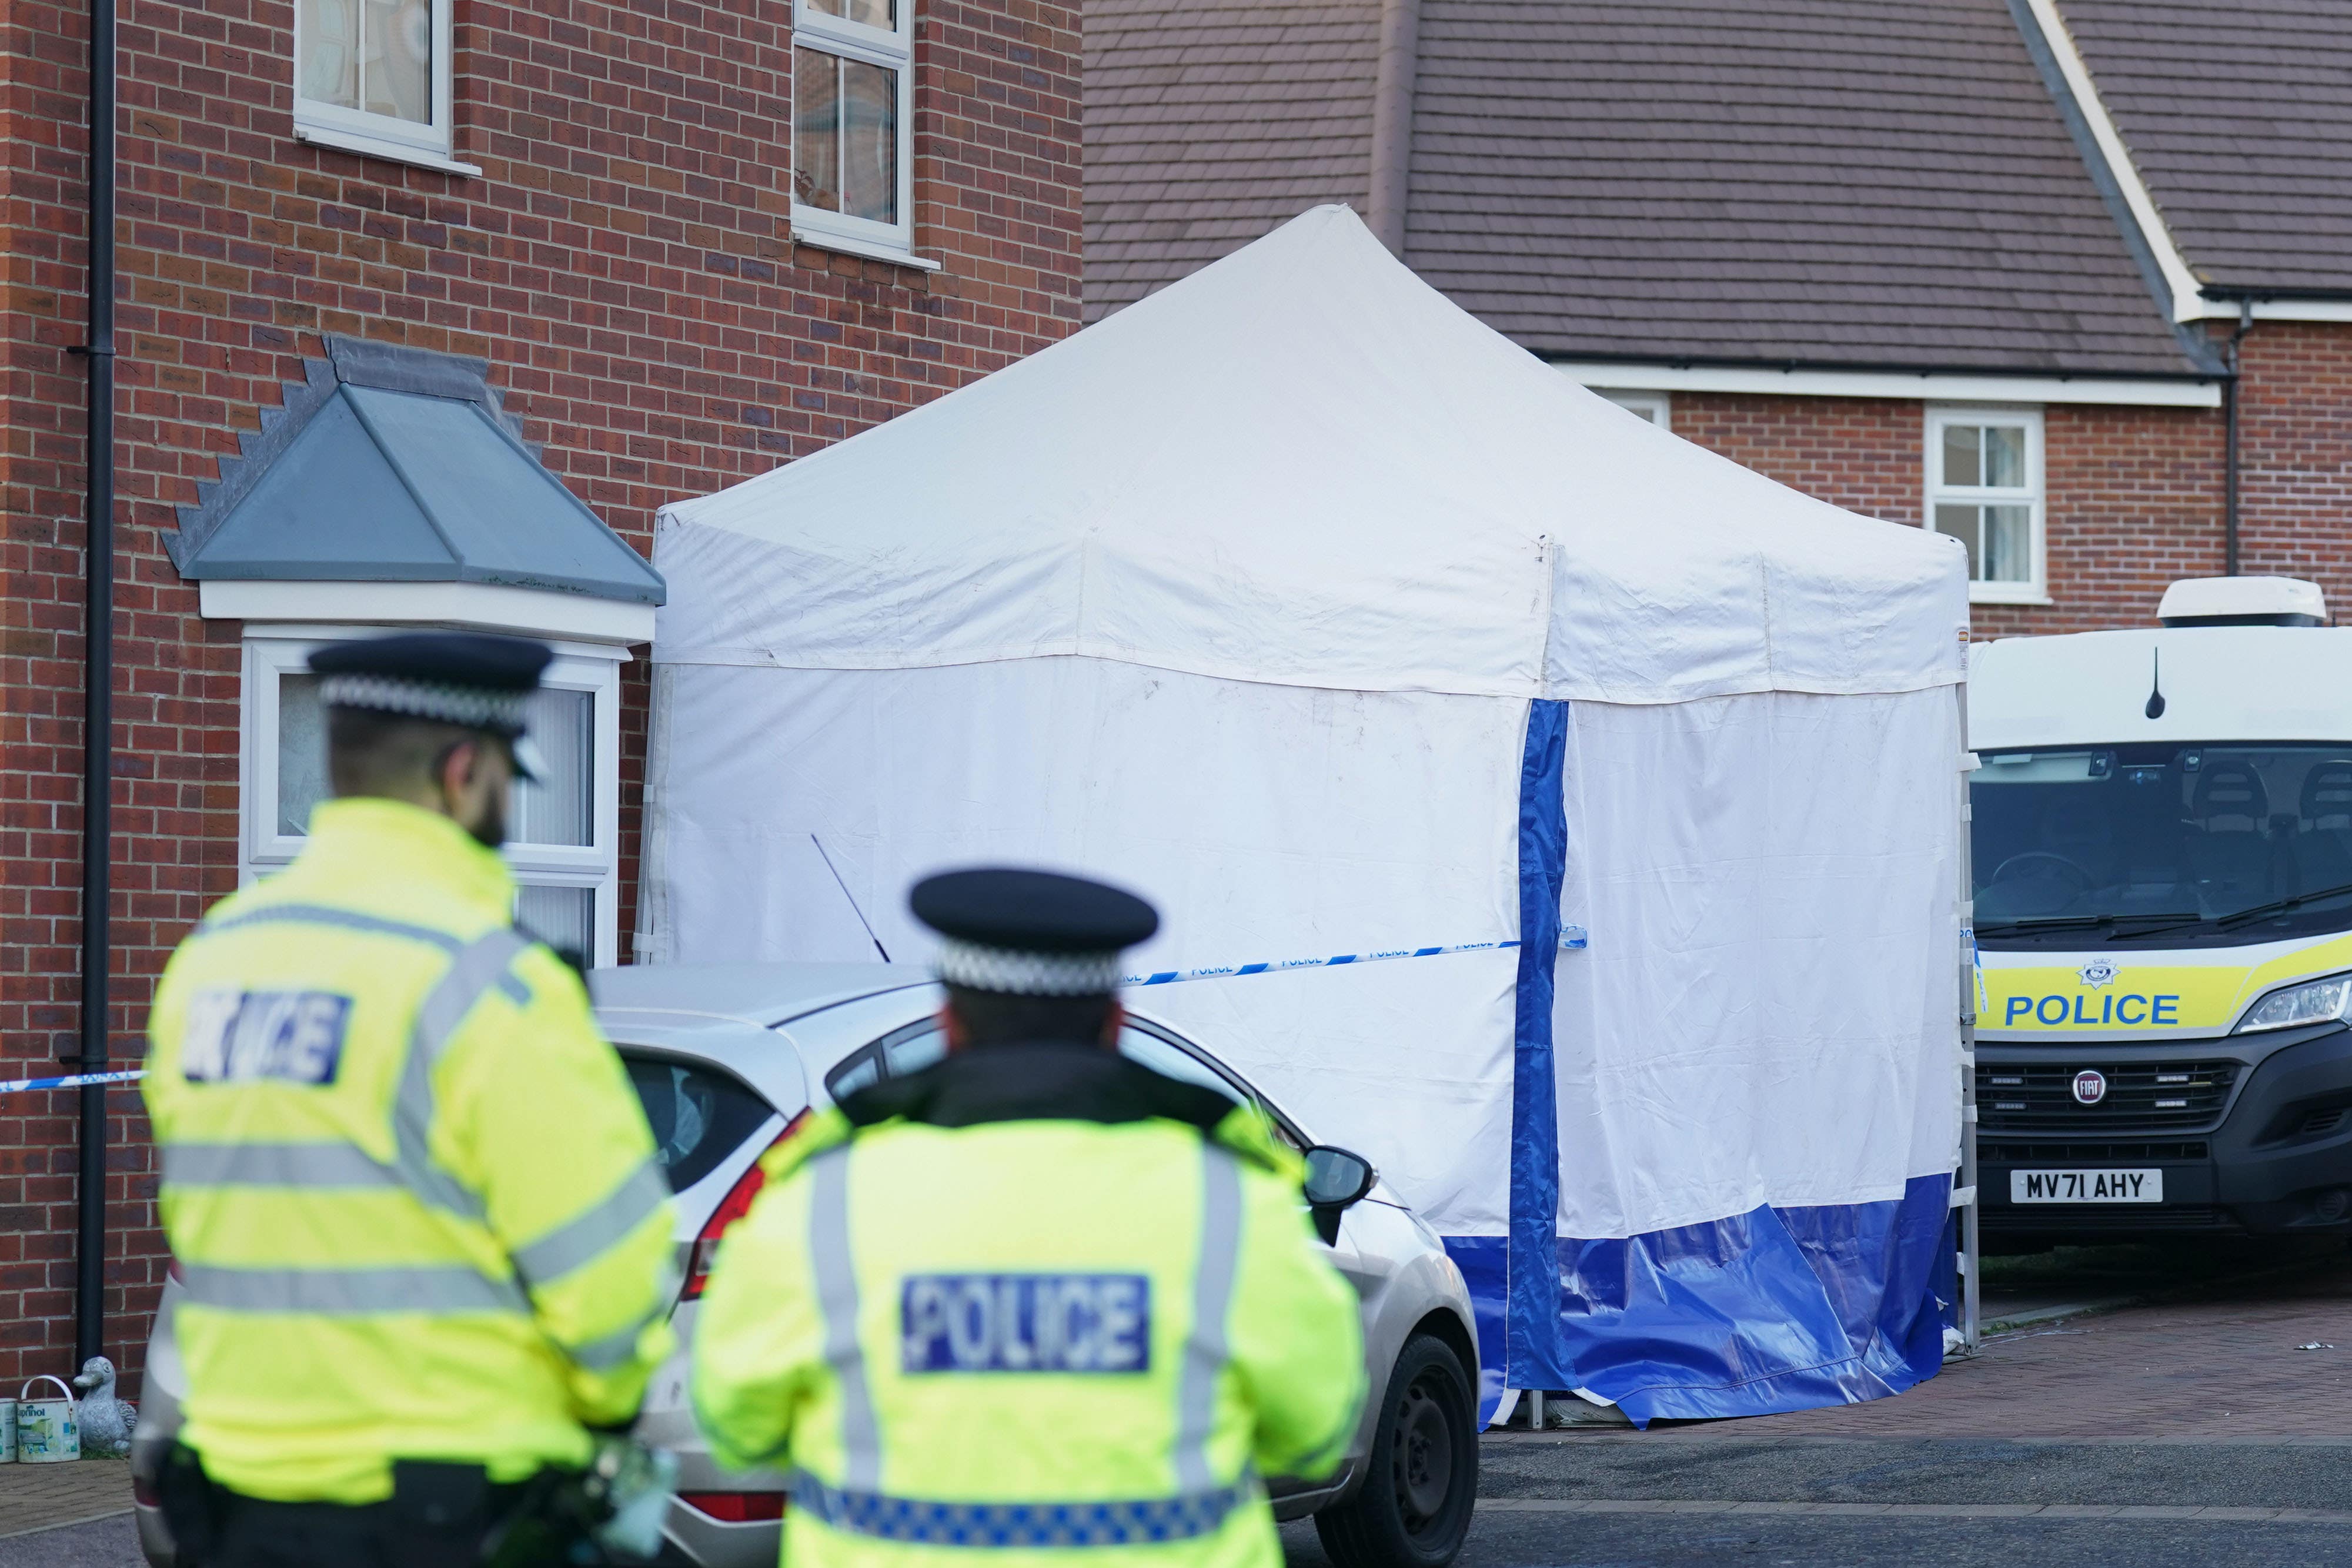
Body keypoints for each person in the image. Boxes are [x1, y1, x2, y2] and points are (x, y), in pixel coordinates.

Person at [142, 632, 677, 1567]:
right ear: (464, 770)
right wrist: (602, 1408)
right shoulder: (489, 980)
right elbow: (608, 1280)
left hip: (235, 1502)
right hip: (441, 1510)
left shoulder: (212, 959)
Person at [693, 868, 1365, 1568]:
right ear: (1113, 1023)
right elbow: (1315, 1430)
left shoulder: (823, 1197)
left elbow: (738, 1425)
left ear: (950, 1022)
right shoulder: (1228, 1198)